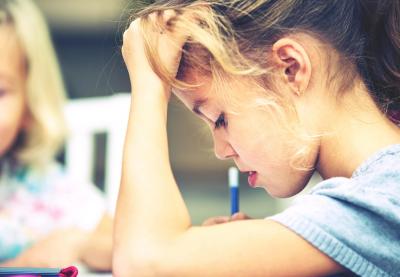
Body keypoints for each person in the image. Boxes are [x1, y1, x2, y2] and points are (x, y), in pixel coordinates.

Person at [114, 0, 400, 276]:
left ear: (290, 68)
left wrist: (150, 84)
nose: (220, 150)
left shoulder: (385, 196)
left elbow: (145, 261)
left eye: (219, 119)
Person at [0, 0, 112, 270]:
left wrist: (78, 242)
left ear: (30, 106)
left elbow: (127, 246)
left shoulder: (40, 188)